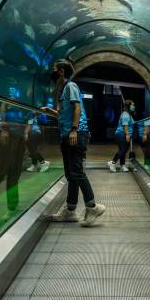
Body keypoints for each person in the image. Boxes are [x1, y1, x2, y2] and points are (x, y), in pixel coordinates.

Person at [42, 59, 105, 226]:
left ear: (61, 71)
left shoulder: (71, 86)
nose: (52, 71)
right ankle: (70, 211)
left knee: (76, 172)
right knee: (71, 174)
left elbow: (77, 108)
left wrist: (74, 130)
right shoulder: (63, 89)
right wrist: (52, 112)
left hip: (76, 134)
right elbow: (65, 114)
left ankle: (92, 207)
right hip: (68, 134)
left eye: (54, 68)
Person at [108, 99, 135, 173]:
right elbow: (125, 126)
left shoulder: (129, 114)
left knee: (124, 150)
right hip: (121, 134)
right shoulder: (125, 115)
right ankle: (112, 163)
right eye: (132, 105)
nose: (133, 106)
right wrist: (127, 135)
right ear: (128, 106)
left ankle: (122, 165)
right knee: (122, 150)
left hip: (124, 134)